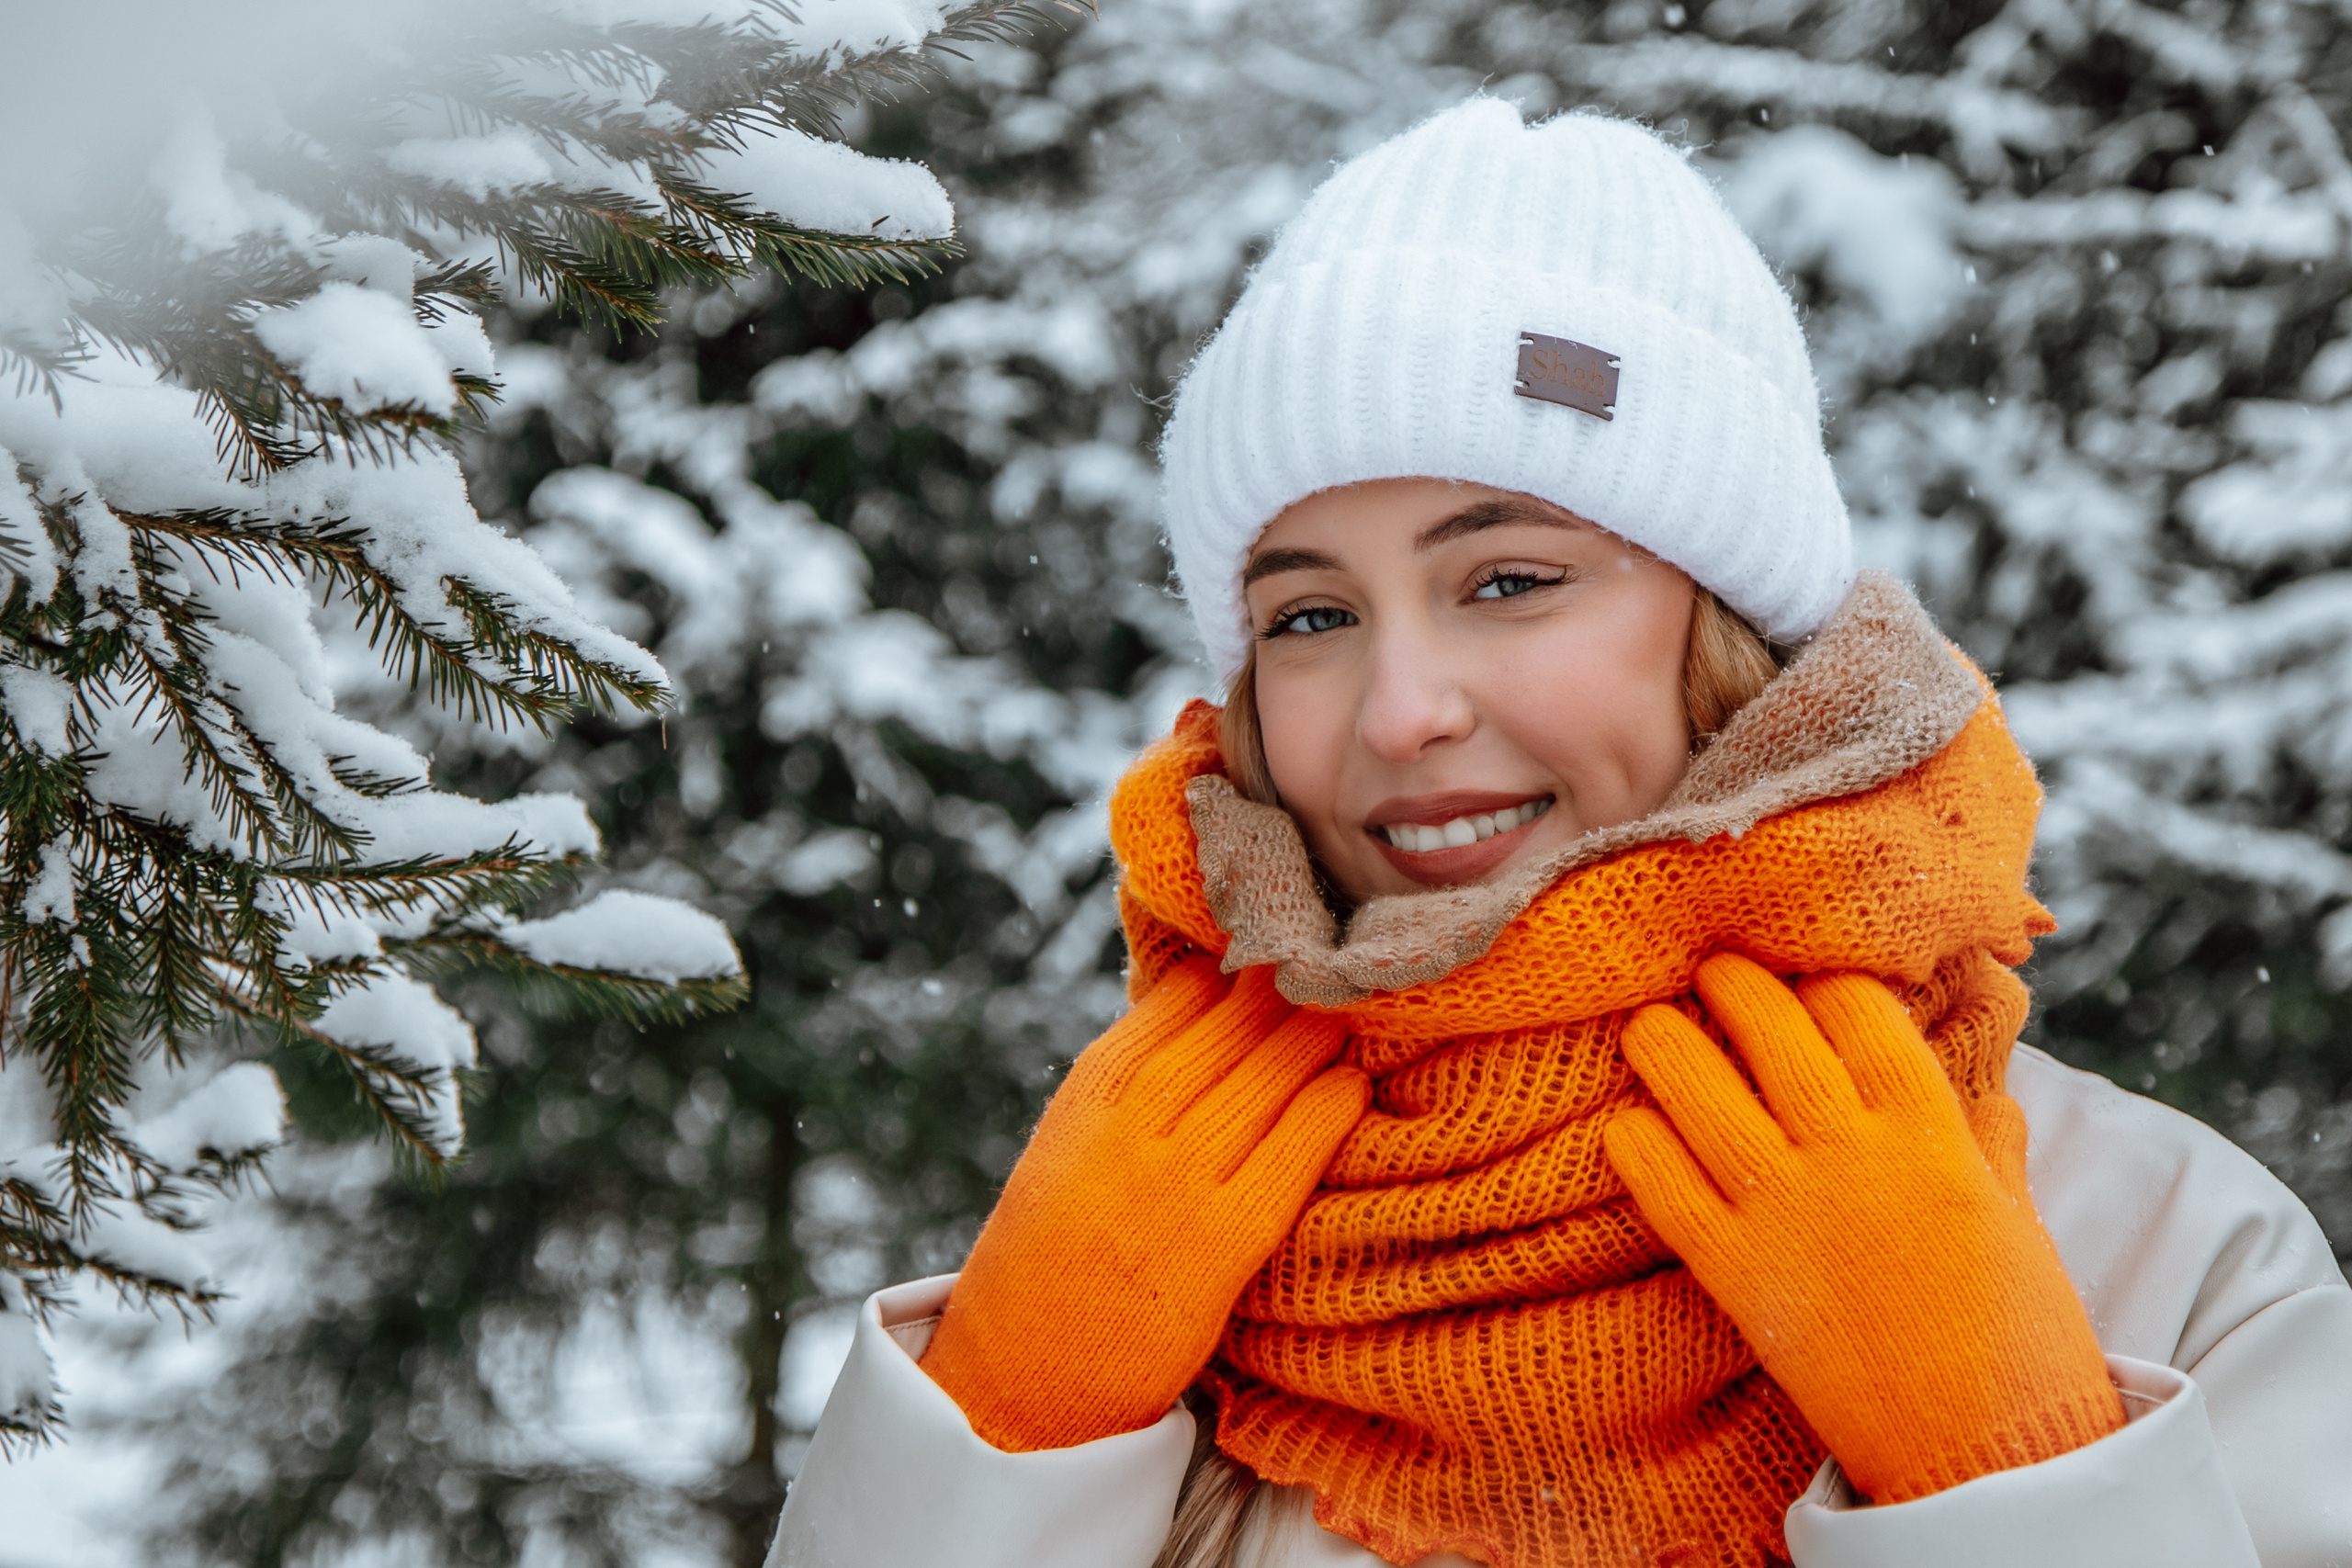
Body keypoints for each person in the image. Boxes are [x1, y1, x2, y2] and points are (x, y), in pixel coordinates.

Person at [767, 100, 2352, 1568]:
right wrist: (997, 1450)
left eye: (1509, 580)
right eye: (1309, 614)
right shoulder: (1147, 1217)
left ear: (1726, 627)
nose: (1398, 712)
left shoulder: (2163, 1250)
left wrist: (2008, 1466)